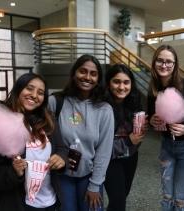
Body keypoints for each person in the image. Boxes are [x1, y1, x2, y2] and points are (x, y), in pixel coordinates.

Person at [0, 73, 67, 211]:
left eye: (40, 93)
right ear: (18, 89)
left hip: (49, 202)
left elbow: (62, 148)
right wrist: (13, 172)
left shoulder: (48, 120)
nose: (34, 95)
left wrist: (61, 158)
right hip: (14, 204)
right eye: (29, 88)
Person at [48, 54, 114, 211]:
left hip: (89, 177)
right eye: (82, 71)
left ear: (98, 79)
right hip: (61, 176)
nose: (87, 77)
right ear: (74, 74)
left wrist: (95, 185)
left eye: (93, 73)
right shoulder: (55, 101)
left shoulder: (104, 109)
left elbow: (103, 152)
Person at [147, 44, 184, 211]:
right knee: (167, 197)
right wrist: (152, 121)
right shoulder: (153, 89)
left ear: (175, 65)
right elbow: (151, 116)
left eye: (169, 62)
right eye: (160, 60)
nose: (164, 65)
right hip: (167, 146)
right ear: (154, 63)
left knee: (181, 200)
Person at [103, 64, 148, 211]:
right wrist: (128, 141)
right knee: (118, 201)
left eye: (126, 82)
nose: (121, 87)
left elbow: (136, 138)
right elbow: (99, 144)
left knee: (122, 196)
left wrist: (140, 133)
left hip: (130, 157)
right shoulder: (101, 107)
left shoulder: (134, 104)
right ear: (108, 83)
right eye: (116, 82)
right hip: (110, 160)